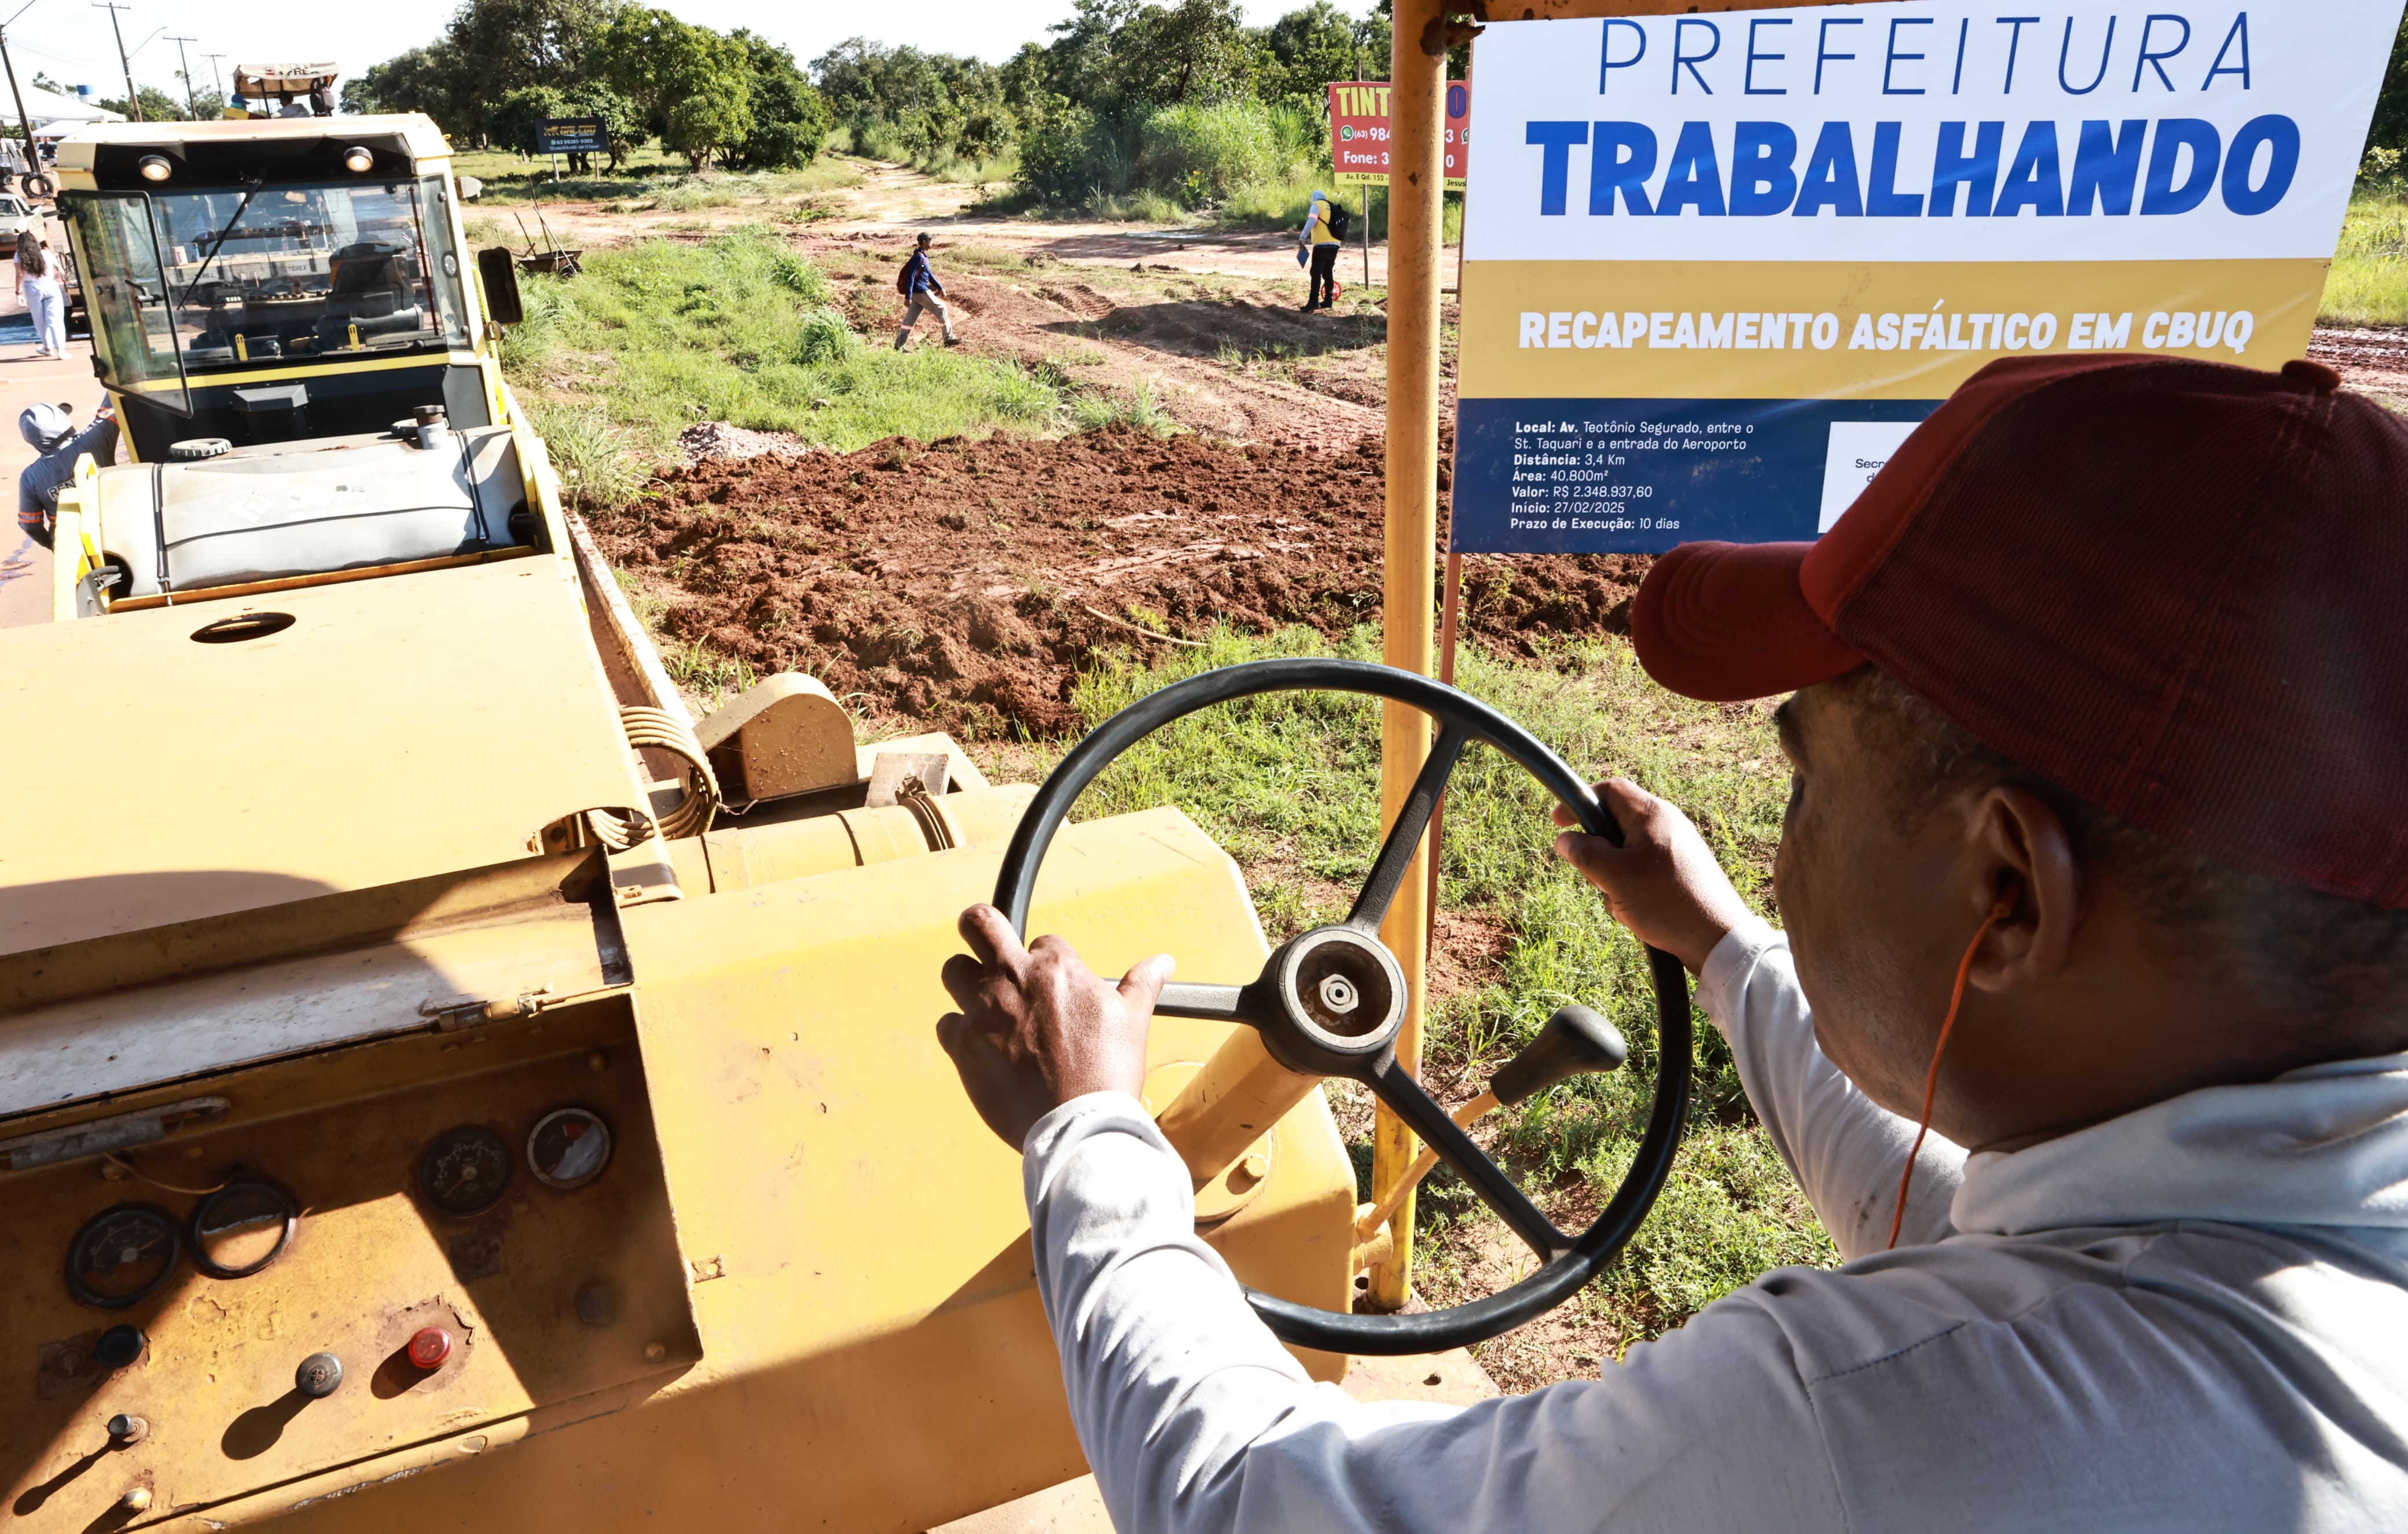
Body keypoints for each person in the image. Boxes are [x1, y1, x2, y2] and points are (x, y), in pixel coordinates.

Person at [937, 353, 2408, 1530]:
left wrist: (1087, 1134)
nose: (1784, 830)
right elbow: (1957, 1213)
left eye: (1805, 773)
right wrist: (1716, 943)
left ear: (2007, 896)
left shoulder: (1860, 1431)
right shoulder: (2283, 1258)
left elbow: (1243, 1501)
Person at [16, 401, 118, 550]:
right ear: (63, 422)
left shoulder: (30, 478)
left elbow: (30, 525)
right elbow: (113, 400)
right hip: (117, 525)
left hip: (74, 546)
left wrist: (54, 546)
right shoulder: (95, 438)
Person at [894, 232, 960, 350]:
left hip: (917, 293)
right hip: (921, 291)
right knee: (942, 309)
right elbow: (911, 277)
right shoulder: (919, 257)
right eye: (931, 240)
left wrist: (940, 287)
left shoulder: (923, 257)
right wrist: (908, 297)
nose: (933, 242)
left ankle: (899, 345)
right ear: (924, 242)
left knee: (910, 319)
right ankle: (948, 338)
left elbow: (929, 275)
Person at [15, 230, 66, 359]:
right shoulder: (46, 253)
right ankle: (61, 350)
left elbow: (20, 275)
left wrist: (18, 292)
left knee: (40, 320)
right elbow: (61, 272)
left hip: (32, 287)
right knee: (56, 319)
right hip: (50, 285)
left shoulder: (19, 256)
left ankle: (48, 347)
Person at [1297, 189, 1341, 312]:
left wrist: (1302, 237)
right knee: (1328, 272)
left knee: (1316, 272)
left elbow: (1312, 220)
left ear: (1314, 199)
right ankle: (1329, 300)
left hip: (1321, 244)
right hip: (1335, 243)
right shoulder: (1332, 206)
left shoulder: (1317, 205)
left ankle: (1313, 301)